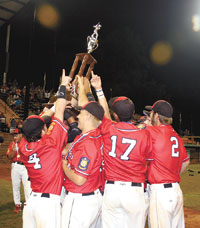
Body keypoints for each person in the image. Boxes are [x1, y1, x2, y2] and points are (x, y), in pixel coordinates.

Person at [90, 71, 152, 228]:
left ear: (115, 116)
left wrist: (99, 90)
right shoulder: (144, 134)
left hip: (112, 190)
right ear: (133, 114)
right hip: (134, 191)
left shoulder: (110, 128)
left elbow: (104, 113)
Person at [19, 69, 71, 228]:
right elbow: (59, 113)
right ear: (42, 130)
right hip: (48, 205)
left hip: (31, 203)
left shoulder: (23, 145)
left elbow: (44, 119)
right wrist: (63, 86)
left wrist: (56, 103)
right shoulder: (51, 143)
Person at [61, 76, 104, 228]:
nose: (77, 116)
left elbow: (79, 179)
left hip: (81, 200)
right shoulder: (92, 135)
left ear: (88, 117)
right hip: (90, 197)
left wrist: (64, 165)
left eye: (81, 114)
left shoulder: (88, 143)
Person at [145, 100, 190, 228]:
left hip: (161, 193)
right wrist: (171, 174)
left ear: (157, 116)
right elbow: (185, 162)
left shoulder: (152, 132)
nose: (150, 116)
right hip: (176, 191)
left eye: (152, 113)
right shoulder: (175, 135)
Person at [6, 128, 31, 213]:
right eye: (13, 135)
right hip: (15, 166)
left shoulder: (26, 143)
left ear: (21, 135)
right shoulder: (12, 144)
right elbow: (9, 157)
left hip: (25, 167)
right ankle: (17, 205)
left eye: (16, 135)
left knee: (27, 186)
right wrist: (13, 151)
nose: (14, 137)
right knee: (15, 186)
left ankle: (28, 205)